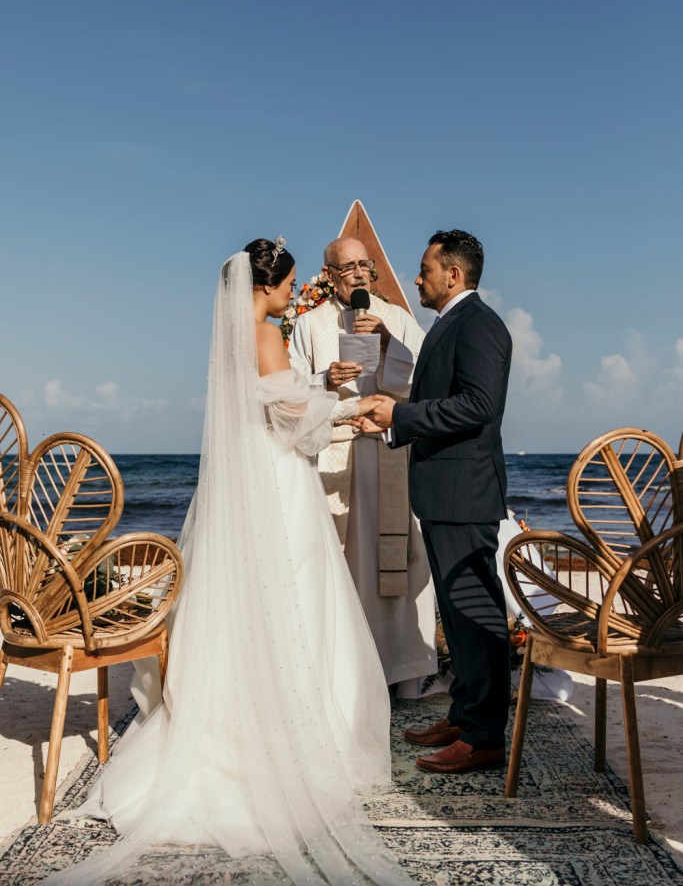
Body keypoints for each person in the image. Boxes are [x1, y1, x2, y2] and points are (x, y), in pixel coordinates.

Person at [41, 239, 413, 886]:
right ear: (264, 287)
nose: (292, 295)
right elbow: (292, 421)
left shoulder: (233, 337)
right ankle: (295, 738)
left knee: (245, 605)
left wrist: (318, 389)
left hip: (243, 480)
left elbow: (268, 403)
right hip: (277, 483)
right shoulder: (266, 333)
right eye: (289, 285)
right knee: (294, 600)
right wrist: (352, 407)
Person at [356, 229, 512, 774]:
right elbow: (442, 398)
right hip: (445, 492)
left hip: (465, 494)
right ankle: (465, 715)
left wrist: (399, 415)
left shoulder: (480, 325)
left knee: (475, 615)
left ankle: (485, 738)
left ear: (454, 273)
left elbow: (478, 405)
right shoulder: (449, 323)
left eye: (424, 269)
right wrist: (395, 419)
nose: (416, 278)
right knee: (458, 614)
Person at [289, 236, 437, 694]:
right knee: (341, 564)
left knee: (397, 564)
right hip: (334, 455)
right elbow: (289, 393)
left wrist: (389, 343)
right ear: (329, 274)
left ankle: (401, 671)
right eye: (347, 267)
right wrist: (325, 379)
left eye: (364, 265)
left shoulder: (397, 318)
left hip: (389, 450)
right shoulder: (309, 324)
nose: (357, 273)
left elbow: (426, 381)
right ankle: (343, 674)